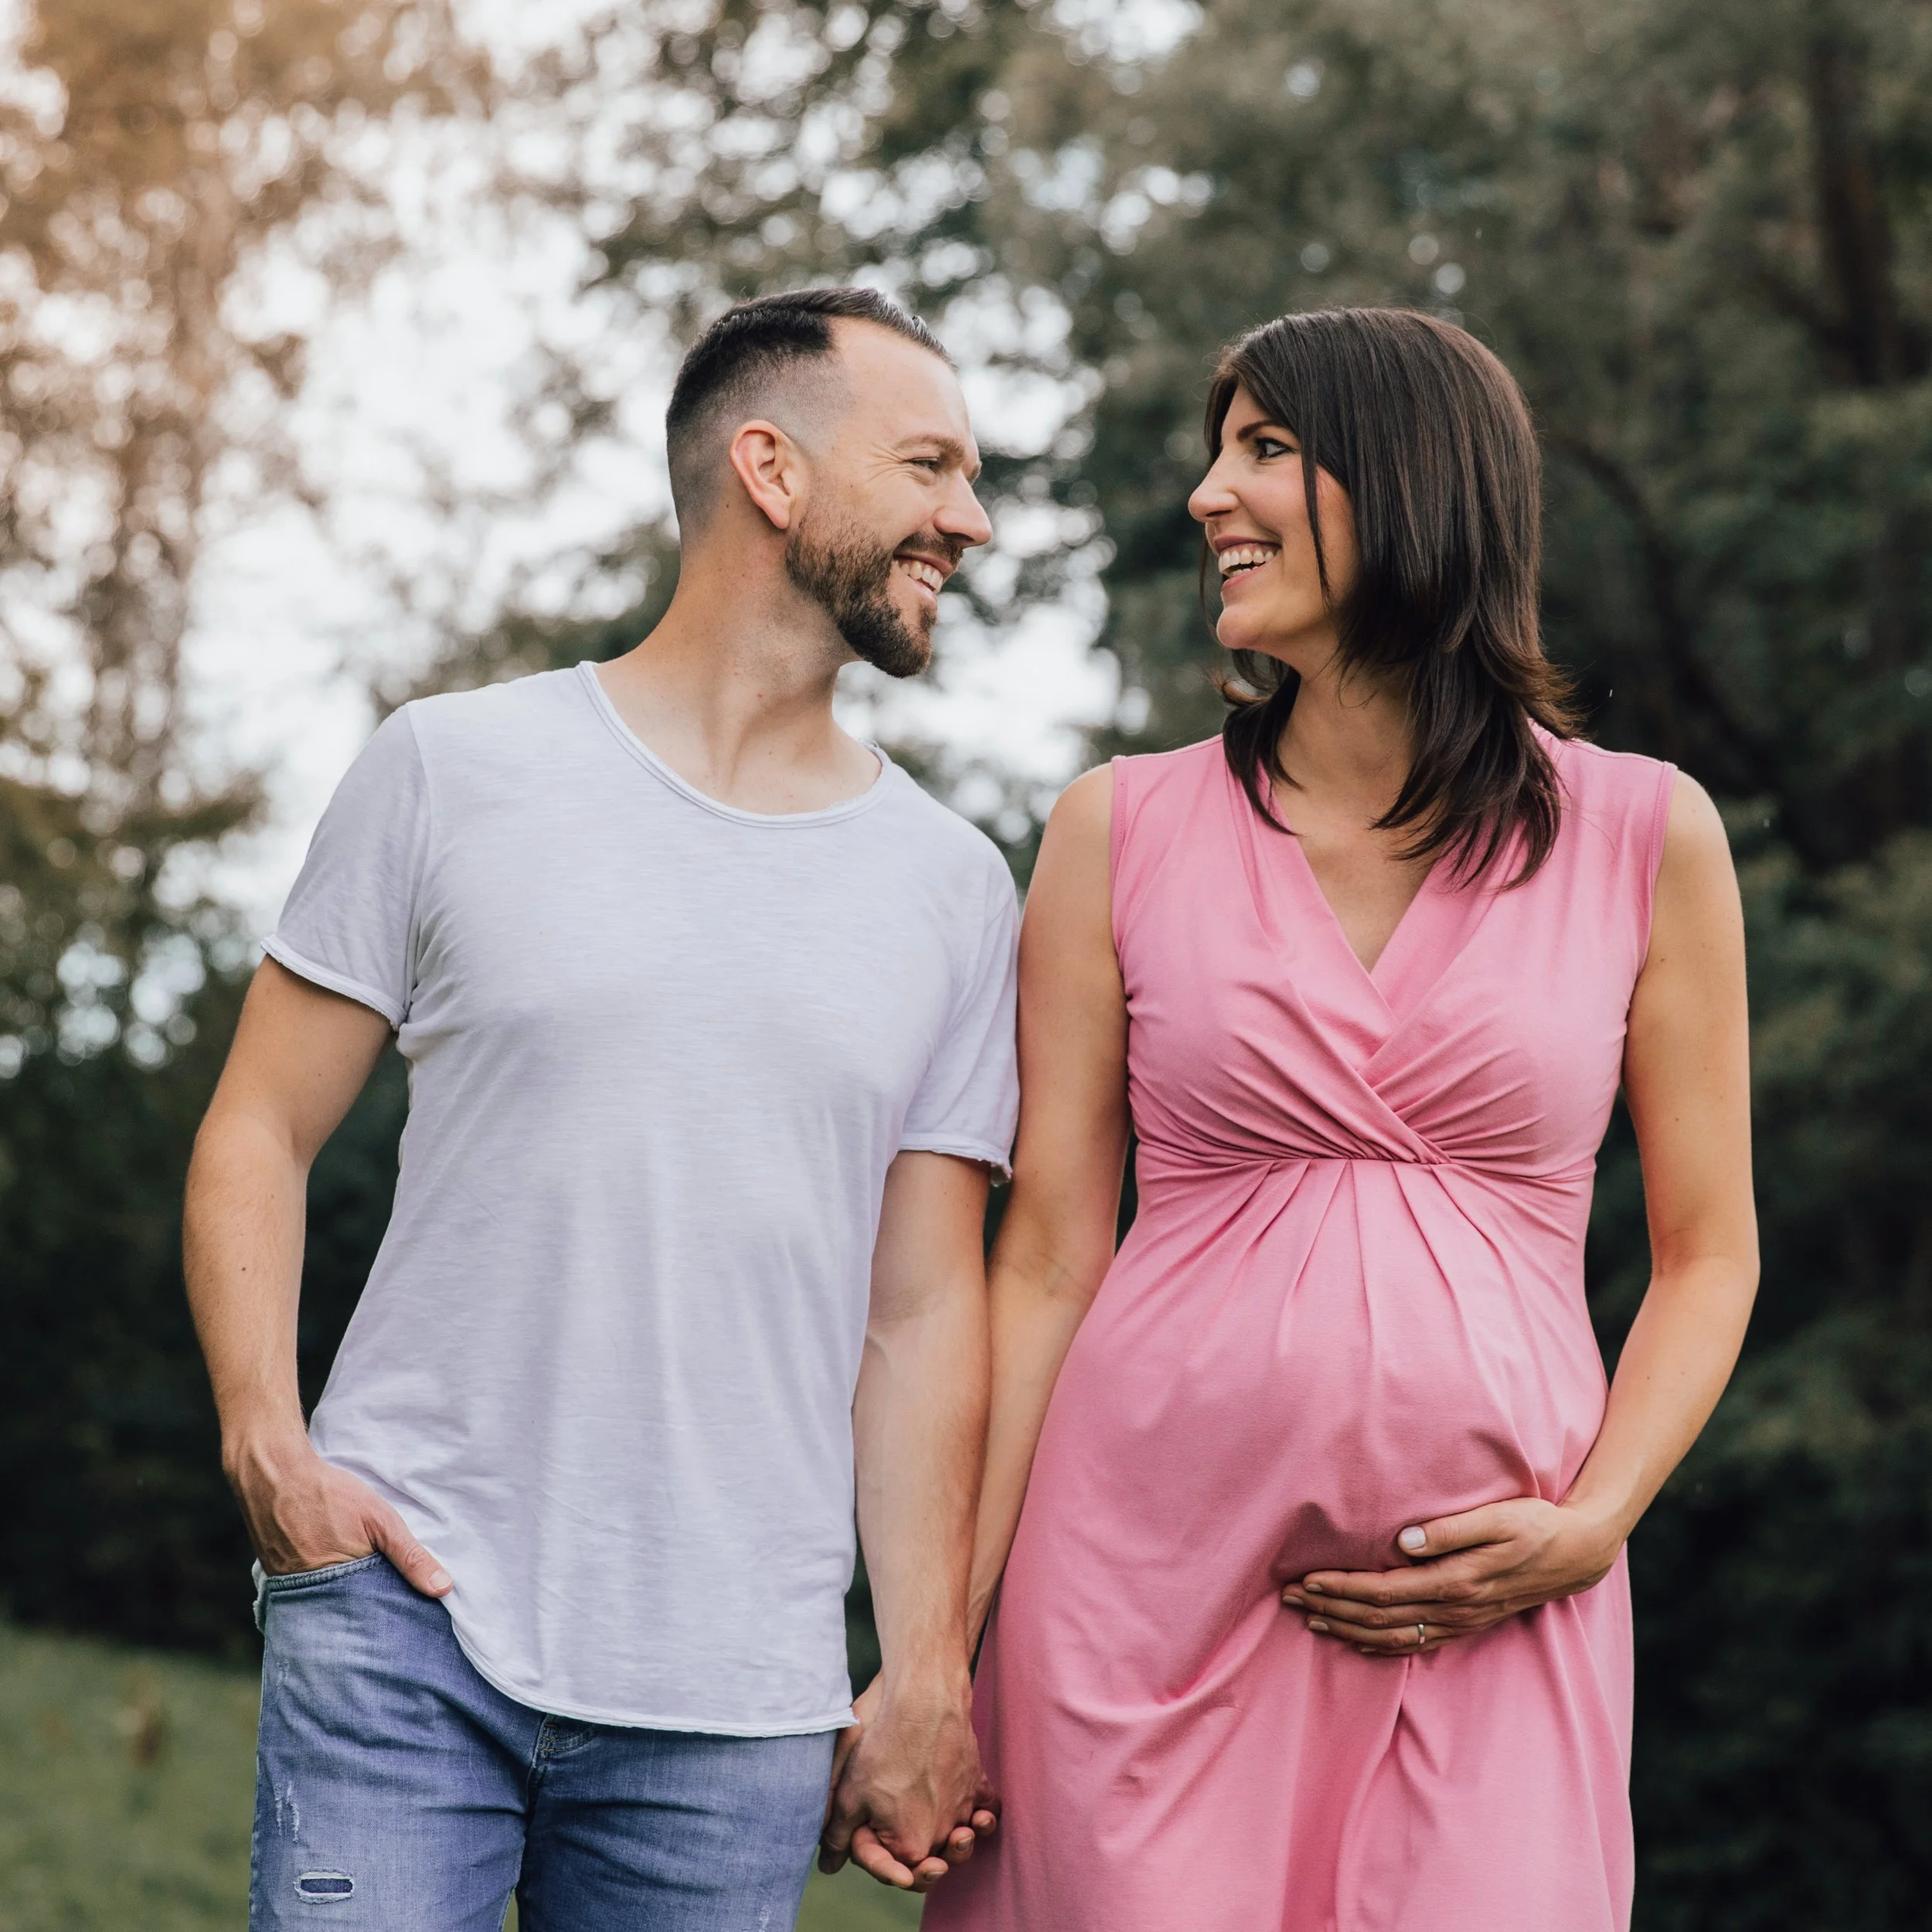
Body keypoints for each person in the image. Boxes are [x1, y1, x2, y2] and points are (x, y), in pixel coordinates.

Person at [184, 287, 1015, 1931]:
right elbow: (256, 1129)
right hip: (402, 1621)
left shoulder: (953, 887)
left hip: (737, 1703)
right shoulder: (449, 767)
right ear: (770, 469)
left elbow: (923, 1306)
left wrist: (923, 1665)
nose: (970, 521)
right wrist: (268, 1445)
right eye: (929, 466)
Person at [921, 307, 1758, 1931]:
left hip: (1495, 1608)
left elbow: (1708, 1252)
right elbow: (1044, 1262)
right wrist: (935, 1652)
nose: (1205, 495)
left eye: (1266, 449)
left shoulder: (1644, 835)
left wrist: (1593, 1522)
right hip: (1137, 1599)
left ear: (1411, 479)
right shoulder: (1117, 828)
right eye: (1216, 452)